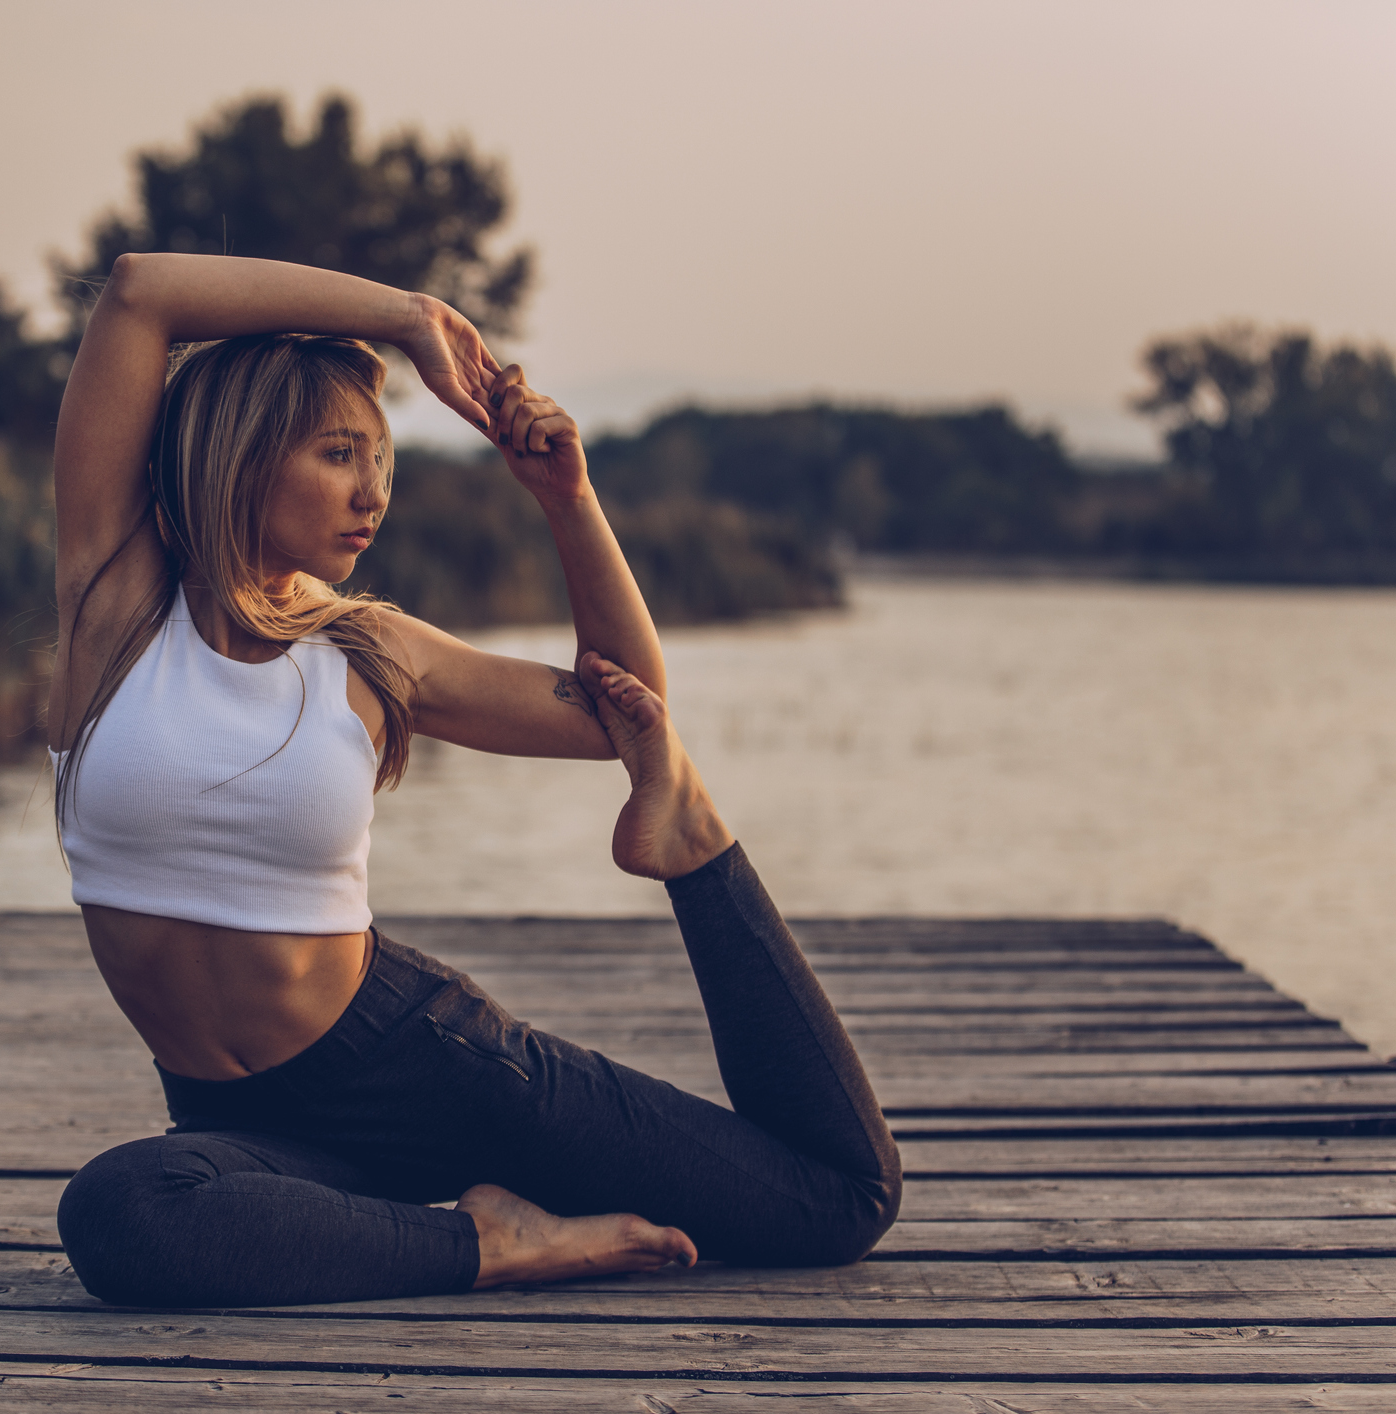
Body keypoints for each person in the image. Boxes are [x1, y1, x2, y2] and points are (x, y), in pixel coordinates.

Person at [47, 253, 900, 1307]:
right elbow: (140, 292)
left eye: (382, 461)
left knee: (838, 1200)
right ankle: (494, 1246)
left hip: (430, 1069)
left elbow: (622, 712)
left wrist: (566, 499)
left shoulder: (369, 649)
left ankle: (692, 842)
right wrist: (410, 319)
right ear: (241, 454)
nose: (373, 493)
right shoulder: (115, 606)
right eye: (339, 453)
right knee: (122, 1209)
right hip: (242, 1126)